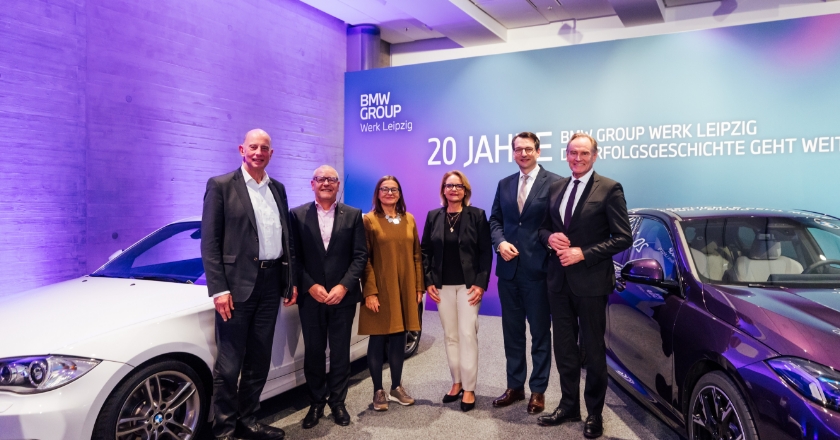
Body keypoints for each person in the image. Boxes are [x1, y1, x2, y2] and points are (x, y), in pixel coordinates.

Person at [201, 129, 297, 440]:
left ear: (272, 154)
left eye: (264, 148)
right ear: (242, 149)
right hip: (236, 287)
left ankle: (249, 421)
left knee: (259, 358)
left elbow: (287, 240)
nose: (258, 152)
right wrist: (219, 288)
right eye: (253, 147)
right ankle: (225, 430)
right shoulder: (220, 186)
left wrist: (289, 280)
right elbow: (210, 242)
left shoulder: (278, 190)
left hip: (271, 285)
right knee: (229, 365)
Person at [537, 133, 632, 439]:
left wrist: (584, 253)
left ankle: (594, 413)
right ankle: (568, 405)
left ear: (595, 155)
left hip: (591, 282)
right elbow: (542, 229)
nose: (577, 158)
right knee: (564, 348)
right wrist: (549, 239)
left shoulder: (610, 189)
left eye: (583, 153)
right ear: (566, 155)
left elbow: (622, 237)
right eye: (572, 153)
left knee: (592, 351)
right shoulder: (556, 188)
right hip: (558, 282)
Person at [489, 131, 562, 414]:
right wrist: (500, 242)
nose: (523, 154)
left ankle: (538, 390)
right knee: (513, 333)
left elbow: (557, 224)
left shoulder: (555, 183)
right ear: (513, 152)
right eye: (518, 149)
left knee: (541, 334)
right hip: (508, 273)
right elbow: (496, 220)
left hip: (539, 271)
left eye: (528, 149)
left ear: (538, 151)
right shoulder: (504, 184)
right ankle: (515, 387)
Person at [289, 165, 367, 429]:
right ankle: (316, 402)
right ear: (312, 184)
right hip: (312, 298)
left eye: (331, 179)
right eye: (320, 179)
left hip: (342, 297)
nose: (326, 183)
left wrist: (344, 286)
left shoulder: (354, 215)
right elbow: (293, 258)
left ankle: (338, 402)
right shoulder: (297, 215)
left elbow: (360, 256)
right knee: (313, 352)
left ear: (337, 185)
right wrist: (310, 286)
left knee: (340, 352)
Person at [420, 171, 492, 412]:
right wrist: (428, 279)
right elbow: (425, 251)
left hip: (469, 286)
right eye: (449, 185)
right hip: (442, 286)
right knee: (450, 335)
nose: (453, 189)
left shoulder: (477, 216)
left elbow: (485, 252)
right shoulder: (433, 216)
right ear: (443, 190)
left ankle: (469, 387)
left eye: (458, 186)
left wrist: (481, 283)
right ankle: (456, 382)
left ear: (465, 190)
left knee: (467, 333)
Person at [359, 175, 424, 411]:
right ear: (377, 193)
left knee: (399, 336)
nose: (389, 193)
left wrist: (418, 287)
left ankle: (396, 387)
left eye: (394, 189)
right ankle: (378, 391)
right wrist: (370, 292)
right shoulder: (368, 220)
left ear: (399, 193)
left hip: (405, 287)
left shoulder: (409, 219)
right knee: (377, 338)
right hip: (380, 288)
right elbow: (364, 260)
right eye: (384, 189)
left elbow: (417, 256)